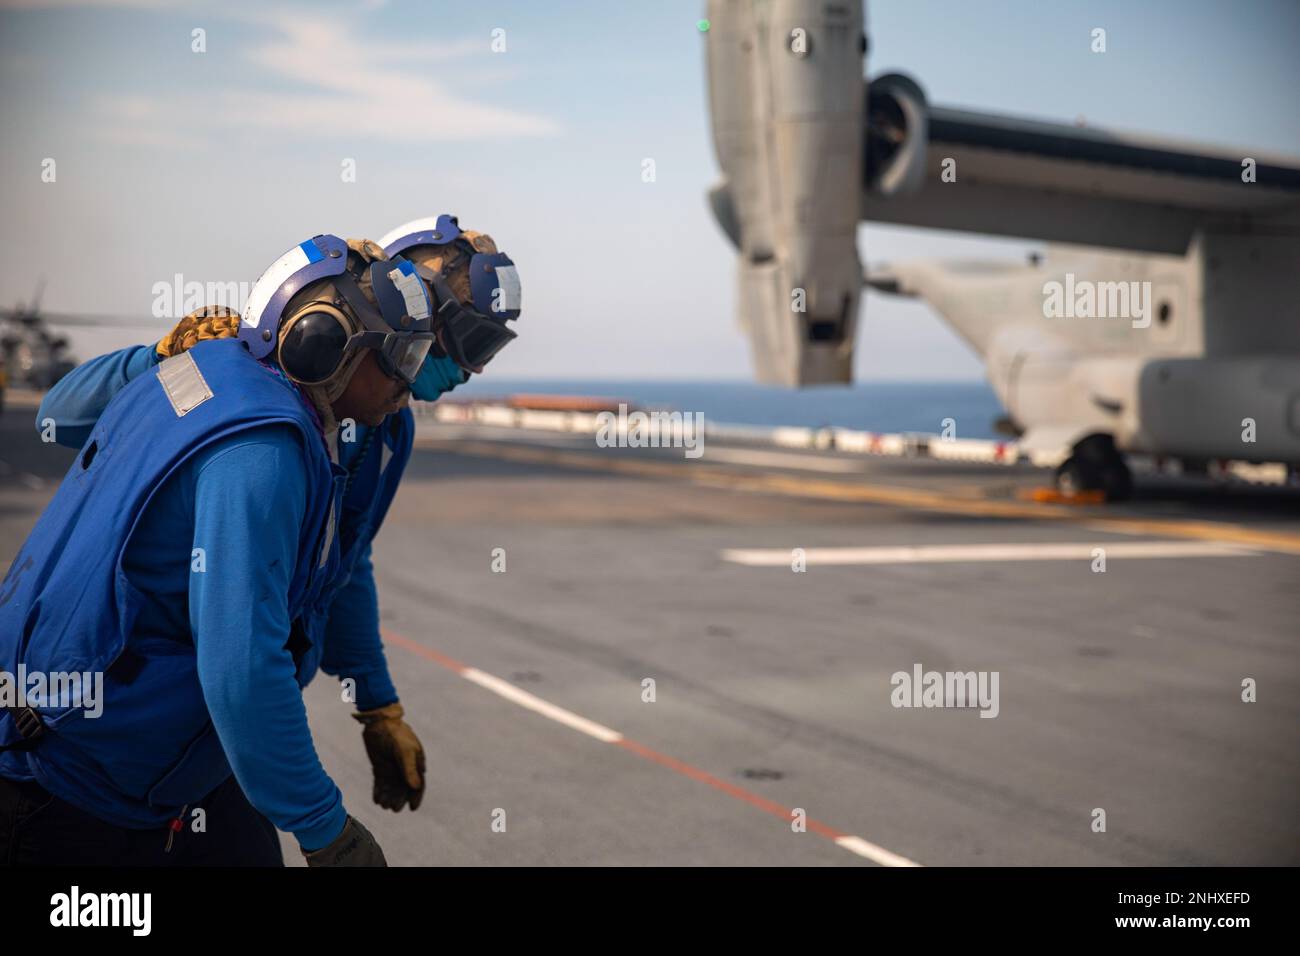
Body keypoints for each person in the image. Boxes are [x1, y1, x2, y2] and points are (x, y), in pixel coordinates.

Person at [0, 234, 446, 866]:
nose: (410, 379)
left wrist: (377, 707)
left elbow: (338, 573)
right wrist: (326, 831)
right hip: (66, 791)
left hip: (127, 768)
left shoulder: (226, 380)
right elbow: (241, 666)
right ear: (323, 347)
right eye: (400, 356)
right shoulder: (261, 450)